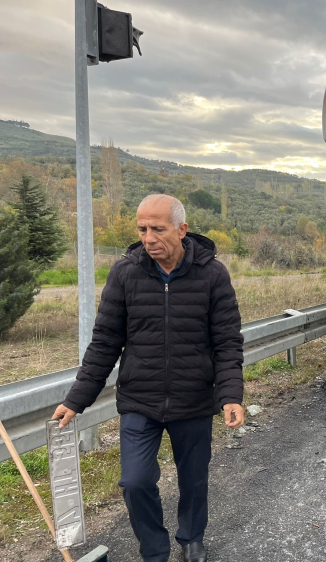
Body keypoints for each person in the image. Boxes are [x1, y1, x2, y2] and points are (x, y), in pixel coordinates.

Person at [52, 194, 244, 562]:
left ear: (182, 230)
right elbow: (105, 343)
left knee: (194, 479)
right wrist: (76, 400)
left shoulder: (212, 274)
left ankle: (192, 538)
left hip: (193, 398)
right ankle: (155, 551)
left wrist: (231, 395)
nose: (148, 238)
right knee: (135, 482)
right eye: (142, 229)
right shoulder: (125, 273)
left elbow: (227, 342)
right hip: (140, 400)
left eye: (158, 229)